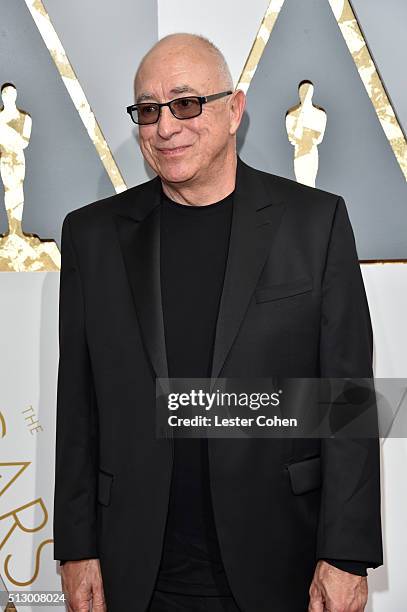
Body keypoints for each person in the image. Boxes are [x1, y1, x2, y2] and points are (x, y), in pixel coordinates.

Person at [53, 33, 383, 612]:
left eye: (185, 103)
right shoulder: (92, 237)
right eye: (148, 111)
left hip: (282, 560)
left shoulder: (314, 224)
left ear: (234, 109)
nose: (165, 127)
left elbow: (347, 402)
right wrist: (76, 547)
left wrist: (346, 555)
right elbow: (77, 406)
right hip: (134, 568)